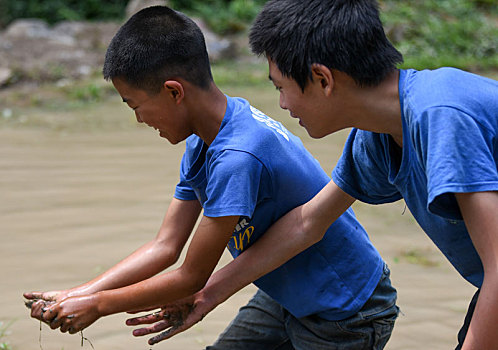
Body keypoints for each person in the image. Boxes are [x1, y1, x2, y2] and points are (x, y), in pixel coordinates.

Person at [24, 5, 400, 349]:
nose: (139, 120)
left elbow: (191, 276)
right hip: (285, 289)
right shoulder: (208, 137)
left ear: (174, 92)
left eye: (136, 106)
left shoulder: (238, 156)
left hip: (345, 310)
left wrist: (99, 305)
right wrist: (77, 294)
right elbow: (165, 246)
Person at [128, 1, 498, 349]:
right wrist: (206, 294)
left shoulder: (442, 117)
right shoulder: (375, 139)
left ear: (322, 78)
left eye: (280, 87)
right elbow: (307, 223)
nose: (282, 104)